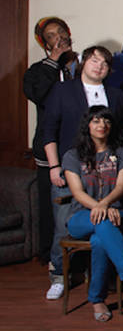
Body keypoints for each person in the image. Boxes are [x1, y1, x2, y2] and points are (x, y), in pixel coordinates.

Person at [43, 46, 123, 301]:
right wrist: (54, 165)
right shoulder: (62, 90)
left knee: (101, 219)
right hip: (70, 169)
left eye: (104, 63)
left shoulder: (115, 94)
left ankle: (97, 273)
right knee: (63, 224)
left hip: (105, 173)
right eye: (94, 60)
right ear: (83, 62)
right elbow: (48, 130)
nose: (99, 66)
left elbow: (120, 135)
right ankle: (59, 274)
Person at [63, 106, 123, 322]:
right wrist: (101, 207)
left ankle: (97, 300)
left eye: (106, 121)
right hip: (80, 218)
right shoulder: (72, 155)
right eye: (96, 121)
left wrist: (105, 204)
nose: (102, 125)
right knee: (102, 221)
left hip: (116, 214)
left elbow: (121, 186)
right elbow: (77, 192)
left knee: (100, 239)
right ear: (87, 126)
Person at [24, 15, 79, 264]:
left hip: (79, 149)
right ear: (45, 44)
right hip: (50, 151)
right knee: (51, 207)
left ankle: (80, 258)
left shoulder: (83, 65)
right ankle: (52, 258)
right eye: (51, 37)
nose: (58, 38)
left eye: (60, 32)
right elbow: (39, 95)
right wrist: (54, 60)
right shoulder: (37, 71)